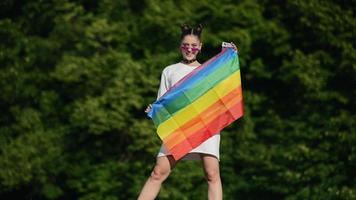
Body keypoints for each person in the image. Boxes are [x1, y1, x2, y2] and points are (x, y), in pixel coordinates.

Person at [138, 24, 237, 200]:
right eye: (185, 45)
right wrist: (153, 109)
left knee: (212, 174)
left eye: (193, 46)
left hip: (206, 126)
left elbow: (223, 89)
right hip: (179, 126)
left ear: (200, 47)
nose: (189, 49)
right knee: (157, 173)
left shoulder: (208, 71)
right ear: (180, 46)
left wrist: (230, 57)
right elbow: (163, 101)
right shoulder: (169, 70)